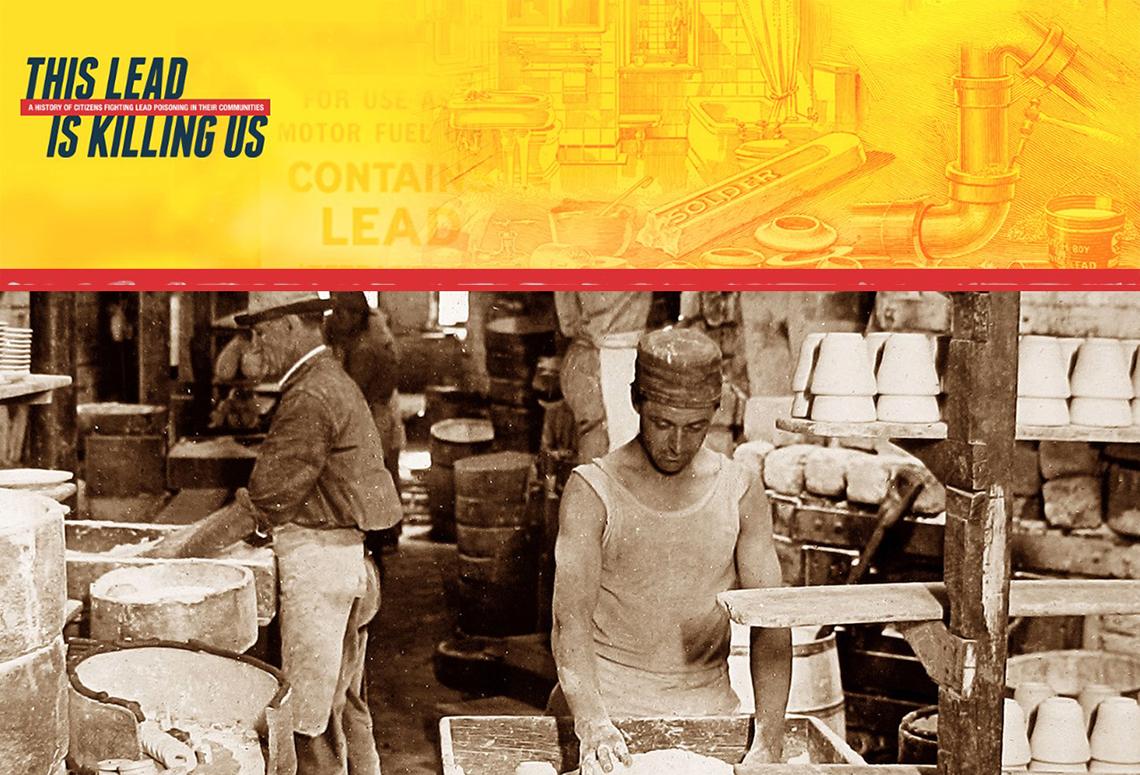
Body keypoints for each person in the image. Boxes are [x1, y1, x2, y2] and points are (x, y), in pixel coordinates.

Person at [147, 291, 402, 775]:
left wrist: (181, 548)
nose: (255, 346)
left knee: (307, 721)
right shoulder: (325, 378)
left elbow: (265, 503)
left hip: (322, 568)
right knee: (344, 707)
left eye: (261, 333)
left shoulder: (310, 393)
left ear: (291, 327)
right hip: (348, 560)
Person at [549, 327, 791, 774]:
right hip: (606, 711)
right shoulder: (592, 490)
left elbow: (771, 623)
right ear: (636, 400)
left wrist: (768, 742)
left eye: (695, 427)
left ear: (716, 411)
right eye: (662, 424)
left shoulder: (740, 490)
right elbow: (570, 623)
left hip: (709, 712)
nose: (677, 444)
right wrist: (593, 725)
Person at [324, 291, 405, 552]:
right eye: (335, 312)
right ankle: (379, 532)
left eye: (342, 313)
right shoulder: (343, 332)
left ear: (356, 315)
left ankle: (382, 535)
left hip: (376, 411)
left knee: (375, 470)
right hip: (367, 408)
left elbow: (356, 390)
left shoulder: (367, 346)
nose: (337, 318)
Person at [553, 292, 652, 463]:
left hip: (596, 355)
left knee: (609, 449)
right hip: (608, 359)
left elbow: (567, 322)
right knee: (610, 453)